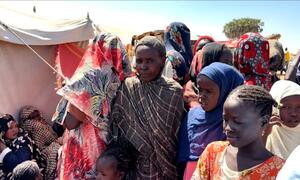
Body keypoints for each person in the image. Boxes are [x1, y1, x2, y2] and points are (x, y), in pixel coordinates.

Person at [52, 32, 131, 179]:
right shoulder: (124, 79)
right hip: (107, 148)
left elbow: (71, 122)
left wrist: (72, 94)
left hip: (86, 146)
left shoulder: (91, 76)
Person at [111, 36, 184, 179]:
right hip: (134, 165)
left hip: (166, 166)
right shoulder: (128, 86)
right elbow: (118, 121)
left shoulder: (174, 91)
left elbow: (175, 133)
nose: (143, 66)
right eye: (139, 61)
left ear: (162, 61)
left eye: (149, 61)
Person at [191, 85, 285, 179]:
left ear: (264, 122)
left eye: (237, 122)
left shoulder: (279, 170)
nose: (227, 128)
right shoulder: (213, 152)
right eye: (225, 119)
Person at [178, 62, 244, 180]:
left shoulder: (235, 123)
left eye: (208, 91)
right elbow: (183, 157)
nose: (201, 96)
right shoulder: (192, 116)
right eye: (200, 90)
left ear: (227, 90)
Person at [18, 105, 61, 179]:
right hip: (42, 150)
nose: (37, 117)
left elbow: (52, 135)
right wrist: (58, 141)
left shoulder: (41, 120)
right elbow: (48, 140)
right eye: (33, 116)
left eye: (37, 114)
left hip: (52, 142)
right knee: (56, 149)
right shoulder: (33, 124)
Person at [0, 114, 45, 179]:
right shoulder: (5, 141)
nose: (15, 130)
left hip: (31, 174)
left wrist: (3, 148)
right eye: (10, 128)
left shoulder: (23, 140)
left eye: (16, 126)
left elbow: (19, 166)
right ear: (3, 131)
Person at [264, 80, 300, 160]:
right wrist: (265, 133)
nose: (294, 113)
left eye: (299, 107)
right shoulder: (265, 130)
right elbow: (254, 157)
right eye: (286, 107)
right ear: (274, 108)